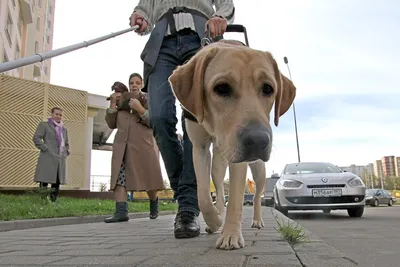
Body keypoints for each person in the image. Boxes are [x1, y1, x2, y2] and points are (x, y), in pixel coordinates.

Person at [129, 0, 235, 238]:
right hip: (162, 44)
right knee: (158, 116)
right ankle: (188, 190)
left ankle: (188, 206)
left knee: (194, 119)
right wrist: (140, 18)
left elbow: (226, 4)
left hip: (200, 37)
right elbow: (144, 10)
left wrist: (221, 17)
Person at [104, 74, 164, 223]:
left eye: (137, 82)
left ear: (142, 84)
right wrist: (112, 104)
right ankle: (121, 212)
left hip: (144, 146)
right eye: (131, 82)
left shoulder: (148, 100)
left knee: (149, 180)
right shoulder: (121, 101)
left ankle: (154, 204)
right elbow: (111, 124)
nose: (134, 85)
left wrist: (140, 109)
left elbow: (156, 123)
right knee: (119, 178)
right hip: (122, 146)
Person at [33, 107, 70, 202]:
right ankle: (42, 200)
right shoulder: (44, 125)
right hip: (47, 157)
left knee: (57, 181)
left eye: (60, 115)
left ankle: (54, 201)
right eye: (56, 114)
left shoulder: (64, 130)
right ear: (52, 114)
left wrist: (66, 152)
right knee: (44, 179)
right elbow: (36, 138)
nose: (58, 116)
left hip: (59, 159)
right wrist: (45, 148)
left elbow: (66, 143)